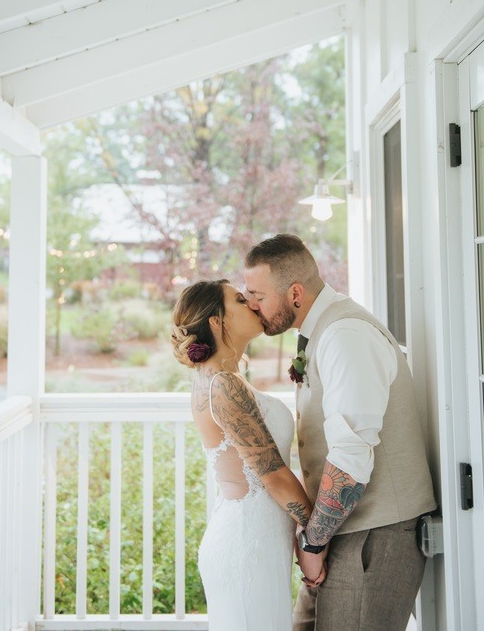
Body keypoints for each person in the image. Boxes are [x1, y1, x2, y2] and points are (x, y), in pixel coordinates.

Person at [244, 234, 437, 631]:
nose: (252, 305)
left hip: (373, 537)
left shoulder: (345, 337)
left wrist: (313, 542)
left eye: (257, 295)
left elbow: (351, 454)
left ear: (295, 293)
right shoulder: (320, 331)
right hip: (339, 529)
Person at [172, 279, 319, 631]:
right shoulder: (223, 385)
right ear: (216, 321)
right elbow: (274, 475)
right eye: (240, 300)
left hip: (257, 541)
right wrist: (316, 538)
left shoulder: (222, 377)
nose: (253, 304)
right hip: (247, 547)